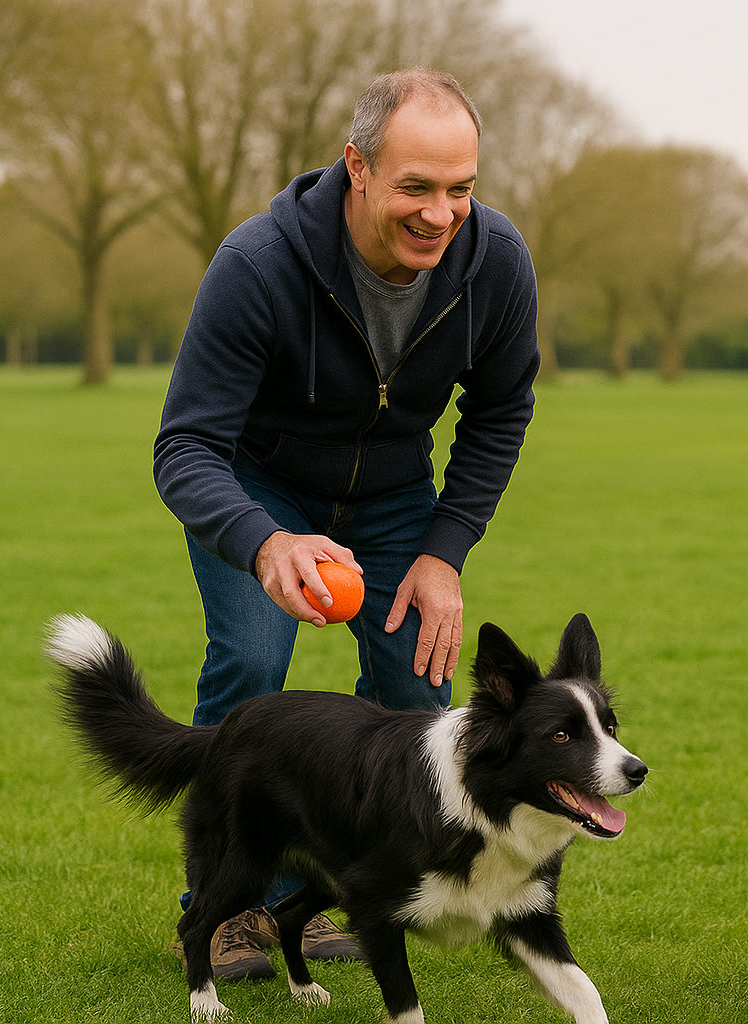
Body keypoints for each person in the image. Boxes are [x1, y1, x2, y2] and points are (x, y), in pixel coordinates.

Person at [153, 67, 539, 979]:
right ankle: (221, 912)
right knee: (252, 666)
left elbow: (499, 413)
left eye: (461, 189)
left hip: (398, 496)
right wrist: (264, 542)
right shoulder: (257, 265)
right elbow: (186, 447)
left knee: (419, 693)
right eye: (416, 187)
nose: (441, 214)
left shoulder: (499, 263)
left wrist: (445, 553)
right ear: (357, 168)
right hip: (261, 489)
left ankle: (347, 895)